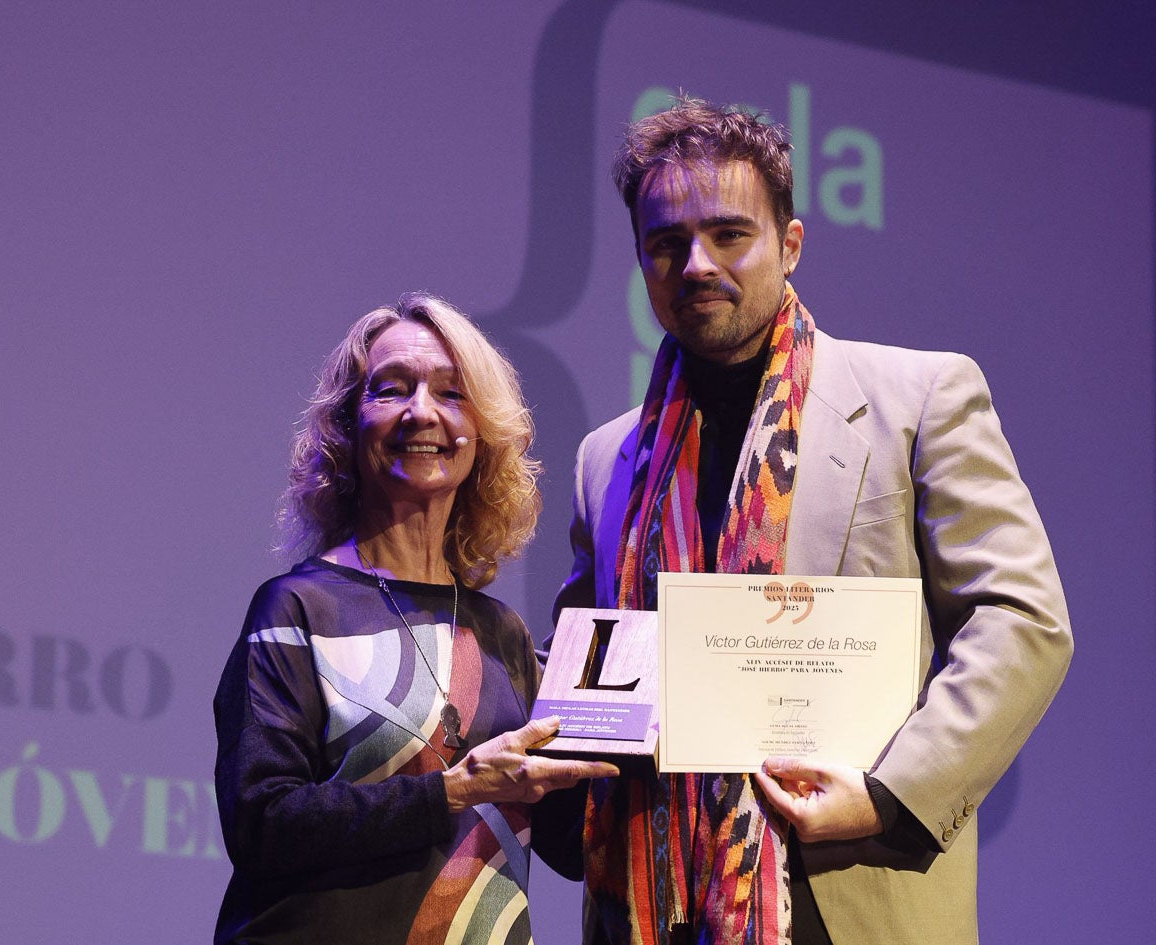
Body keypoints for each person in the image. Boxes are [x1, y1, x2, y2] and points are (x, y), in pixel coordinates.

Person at [542, 97, 1073, 944]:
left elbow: (1023, 619)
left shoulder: (917, 399)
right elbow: (593, 660)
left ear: (788, 246)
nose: (695, 265)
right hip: (650, 908)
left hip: (847, 886)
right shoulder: (606, 460)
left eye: (728, 235)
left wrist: (890, 793)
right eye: (665, 244)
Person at [213, 292, 617, 945]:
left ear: (480, 432)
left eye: (451, 394)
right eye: (390, 389)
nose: (421, 412)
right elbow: (261, 821)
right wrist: (451, 792)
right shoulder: (296, 610)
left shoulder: (502, 634)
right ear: (348, 426)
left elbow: (567, 848)